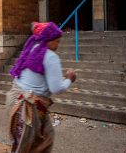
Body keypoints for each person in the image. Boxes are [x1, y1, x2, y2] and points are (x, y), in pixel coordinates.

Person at [7, 21, 76, 153]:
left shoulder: (32, 49)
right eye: (56, 41)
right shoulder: (50, 56)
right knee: (39, 143)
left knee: (25, 143)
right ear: (47, 40)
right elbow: (56, 88)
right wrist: (69, 79)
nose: (58, 45)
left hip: (16, 103)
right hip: (30, 109)